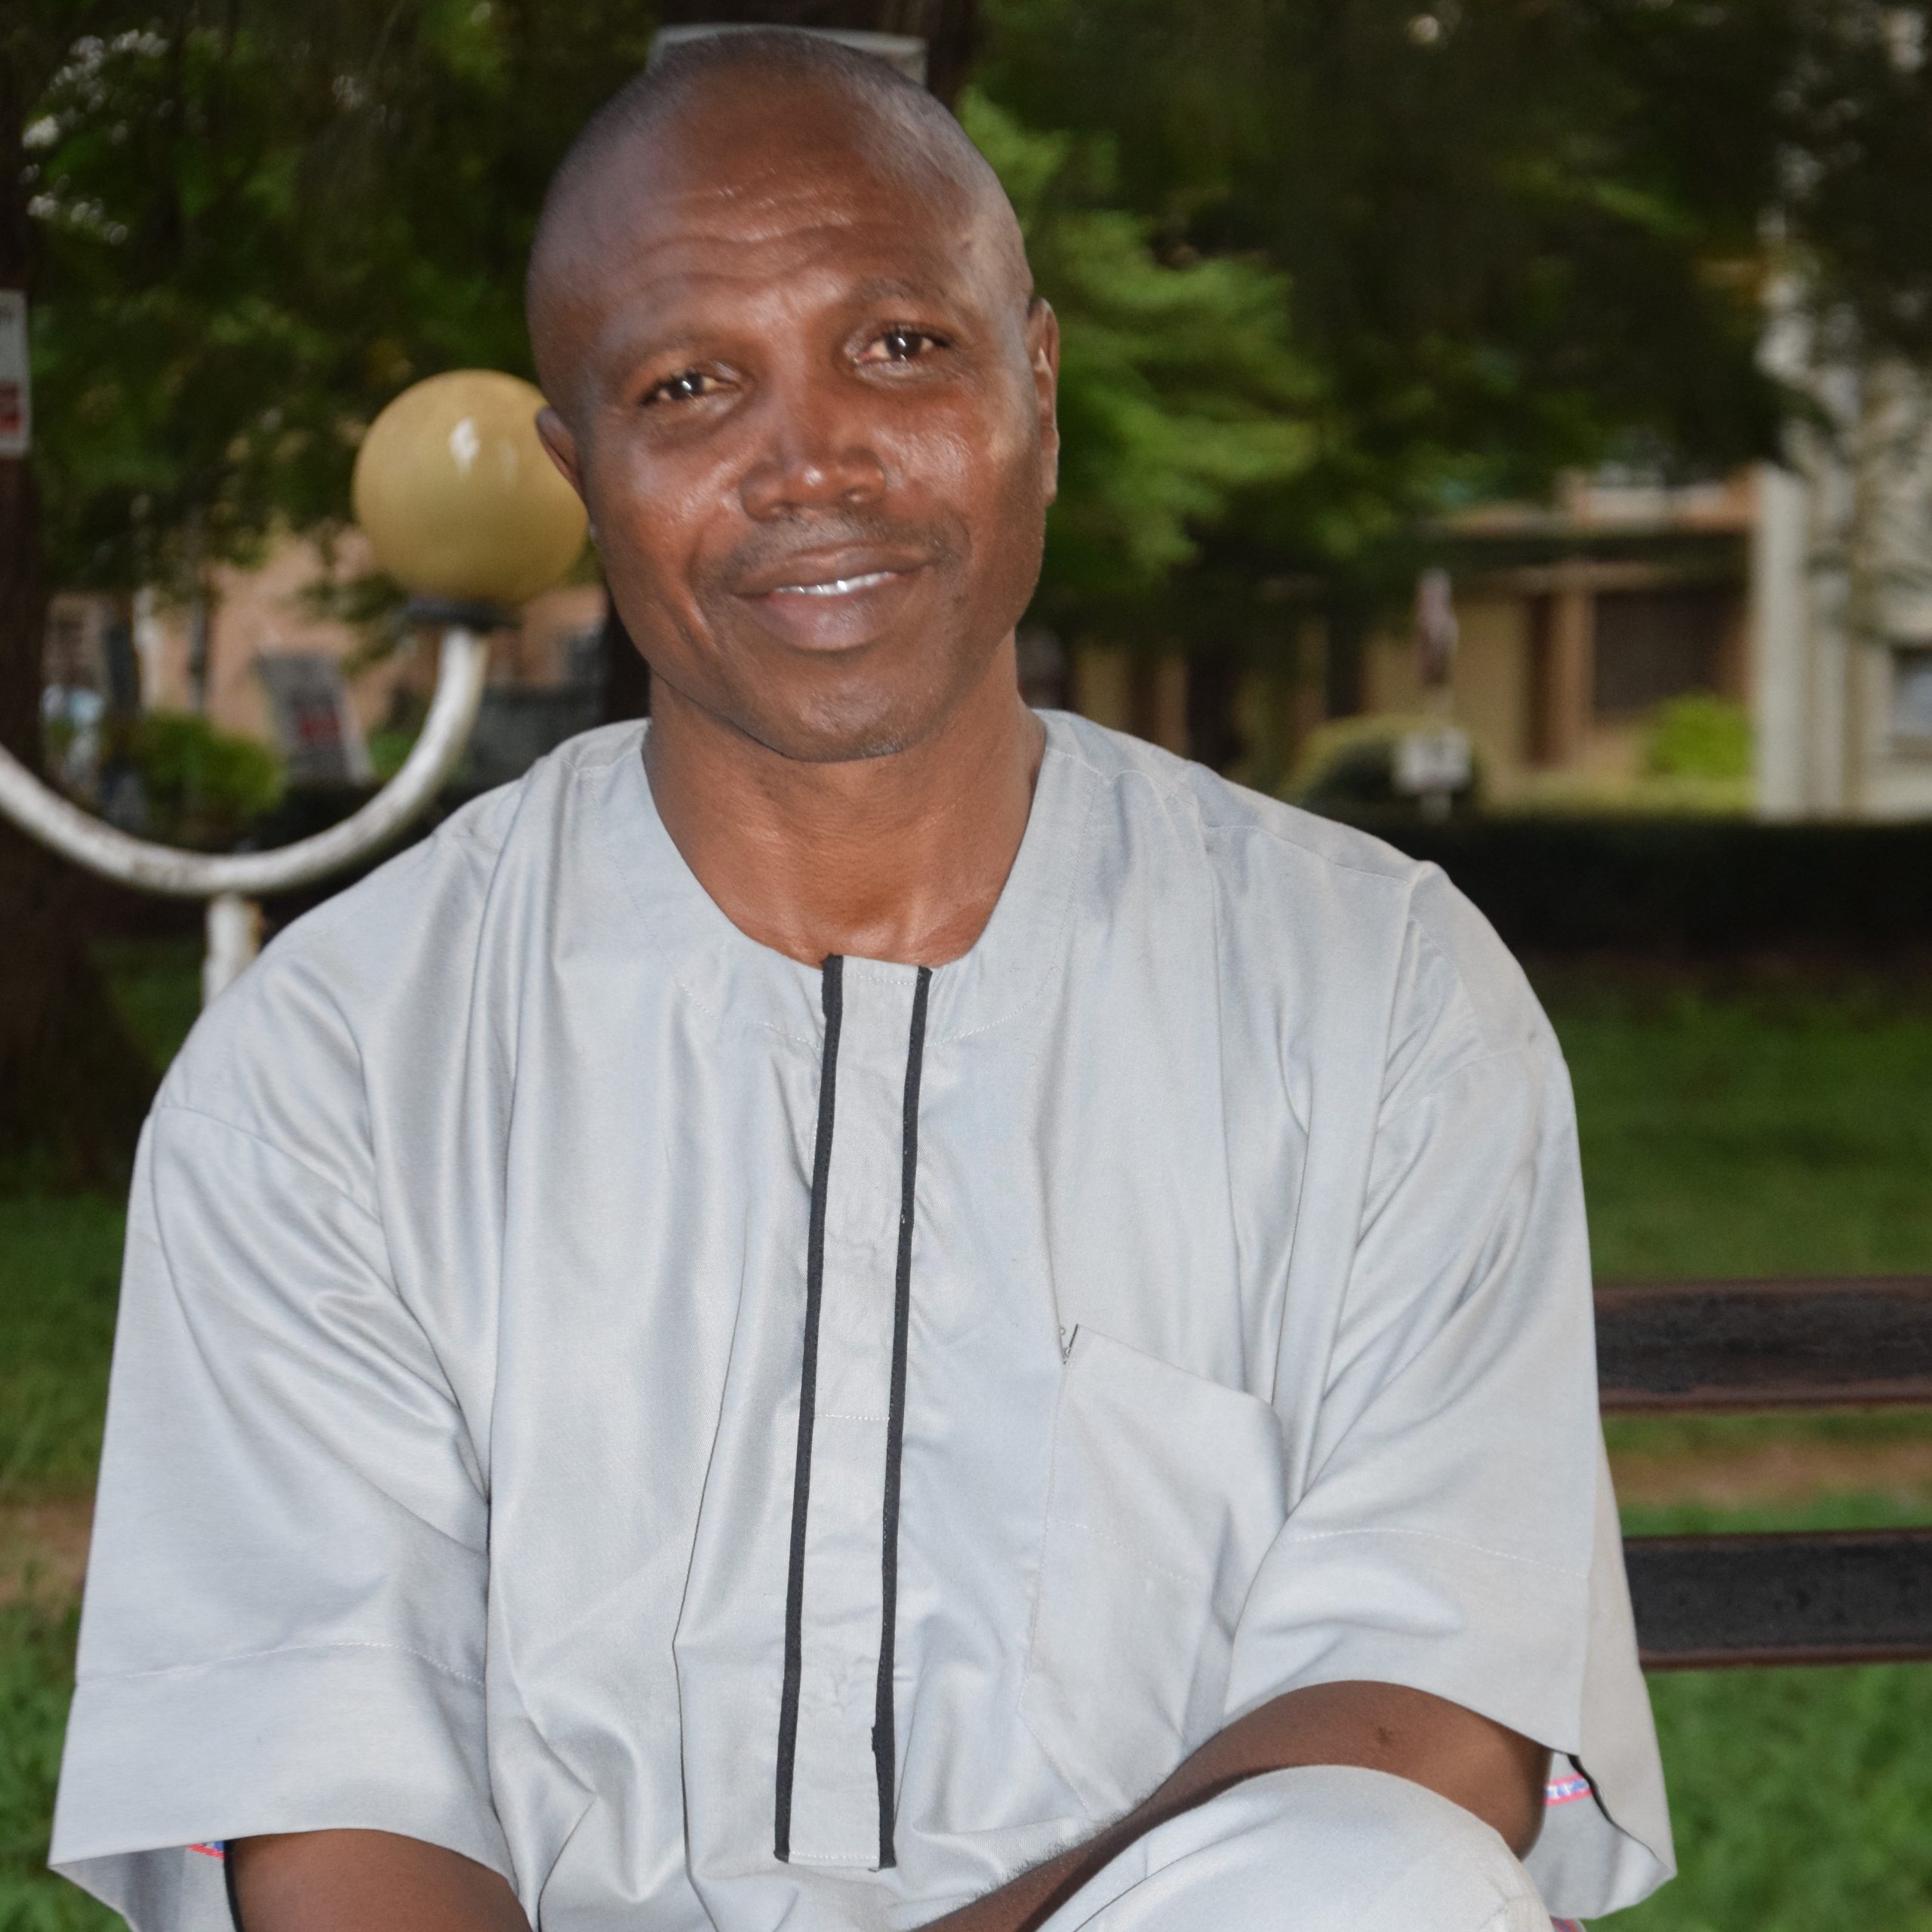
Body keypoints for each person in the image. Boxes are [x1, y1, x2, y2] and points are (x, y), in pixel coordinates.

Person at [51, 30, 1672, 1932]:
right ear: (582, 474)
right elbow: (321, 1789)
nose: (809, 460)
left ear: (1036, 388)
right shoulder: (338, 1060)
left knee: (1376, 1883)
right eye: (686, 384)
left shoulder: (1376, 987)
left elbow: (1428, 1712)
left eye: (897, 347)